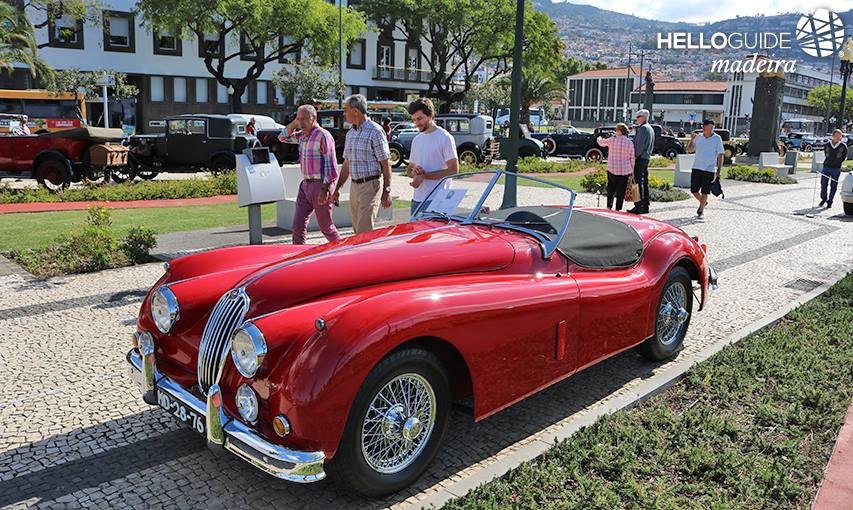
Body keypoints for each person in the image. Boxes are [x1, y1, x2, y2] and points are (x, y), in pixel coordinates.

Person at [279, 105, 341, 245]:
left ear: (314, 118)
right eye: (299, 119)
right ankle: (299, 254)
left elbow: (331, 165)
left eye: (305, 119)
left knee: (326, 227)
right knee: (297, 226)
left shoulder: (323, 135)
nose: (301, 122)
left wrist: (325, 188)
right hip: (305, 185)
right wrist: (294, 123)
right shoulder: (301, 136)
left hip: (320, 185)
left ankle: (343, 251)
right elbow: (282, 137)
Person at [333, 94, 392, 234]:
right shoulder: (350, 134)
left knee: (364, 231)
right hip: (354, 187)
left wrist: (387, 190)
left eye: (346, 110)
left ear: (355, 111)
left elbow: (386, 163)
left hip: (370, 186)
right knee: (357, 231)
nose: (344, 114)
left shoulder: (376, 131)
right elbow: (347, 164)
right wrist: (338, 188)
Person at [405, 97, 459, 215]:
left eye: (419, 118)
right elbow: (409, 169)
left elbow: (453, 170)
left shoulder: (445, 137)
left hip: (438, 201)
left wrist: (424, 176)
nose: (416, 123)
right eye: (414, 119)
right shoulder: (416, 140)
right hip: (417, 200)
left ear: (430, 116)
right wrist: (414, 172)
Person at [687, 119, 724, 220]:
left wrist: (719, 170)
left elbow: (720, 155)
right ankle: (703, 202)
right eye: (702, 125)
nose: (703, 127)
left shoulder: (717, 138)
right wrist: (691, 140)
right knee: (694, 190)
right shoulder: (698, 137)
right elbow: (690, 150)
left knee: (705, 191)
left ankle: (701, 211)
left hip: (709, 169)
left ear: (711, 127)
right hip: (696, 167)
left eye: (705, 125)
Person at [596, 123, 634, 211]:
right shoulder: (630, 143)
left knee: (611, 189)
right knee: (621, 190)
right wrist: (632, 170)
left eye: (616, 130)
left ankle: (609, 206)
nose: (615, 131)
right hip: (625, 170)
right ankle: (618, 208)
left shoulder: (613, 140)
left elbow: (601, 143)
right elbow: (632, 158)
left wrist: (599, 137)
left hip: (612, 168)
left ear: (619, 131)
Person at [627, 109, 654, 214]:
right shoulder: (650, 128)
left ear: (643, 117)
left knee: (637, 182)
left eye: (638, 117)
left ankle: (638, 206)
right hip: (646, 157)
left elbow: (639, 146)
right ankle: (645, 205)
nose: (636, 119)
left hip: (640, 157)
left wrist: (634, 157)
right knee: (644, 182)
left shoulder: (643, 129)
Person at [819, 129, 848, 209]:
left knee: (833, 186)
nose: (838, 138)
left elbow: (844, 156)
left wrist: (838, 162)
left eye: (840, 137)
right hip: (826, 167)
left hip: (836, 168)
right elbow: (826, 153)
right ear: (833, 136)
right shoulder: (828, 144)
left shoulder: (843, 146)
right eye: (837, 136)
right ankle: (824, 198)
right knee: (823, 184)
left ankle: (830, 201)